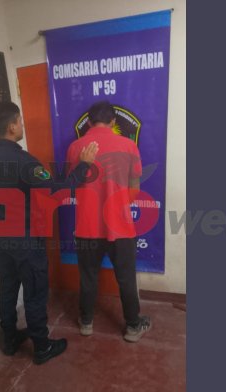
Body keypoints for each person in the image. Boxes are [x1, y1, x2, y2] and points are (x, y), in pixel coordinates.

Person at [0, 101, 98, 365]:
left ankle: (10, 340)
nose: (22, 125)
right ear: (11, 126)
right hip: (26, 241)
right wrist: (84, 166)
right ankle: (42, 347)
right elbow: (57, 190)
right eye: (20, 121)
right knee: (35, 292)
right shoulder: (24, 161)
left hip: (0, 241)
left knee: (8, 288)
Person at [66, 100, 151, 343]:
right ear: (113, 121)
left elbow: (72, 185)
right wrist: (119, 205)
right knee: (126, 278)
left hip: (86, 227)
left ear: (89, 122)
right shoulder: (128, 146)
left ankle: (86, 323)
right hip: (120, 226)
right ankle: (133, 327)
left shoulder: (75, 147)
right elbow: (135, 188)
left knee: (88, 277)